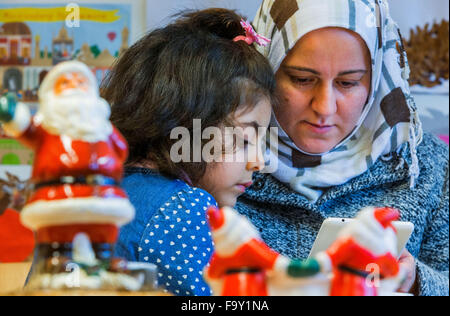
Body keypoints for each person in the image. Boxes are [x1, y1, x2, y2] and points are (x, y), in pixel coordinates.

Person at [236, 0, 448, 296]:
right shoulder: (220, 162)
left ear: (375, 82)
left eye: (348, 83)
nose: (324, 106)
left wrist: (415, 280)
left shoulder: (423, 165)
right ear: (266, 69)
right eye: (302, 79)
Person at [102, 9, 275, 295]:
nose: (258, 162)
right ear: (182, 122)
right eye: (245, 139)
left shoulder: (100, 191)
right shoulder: (184, 209)